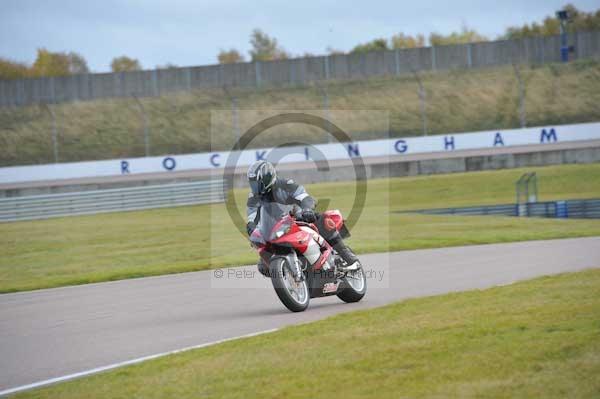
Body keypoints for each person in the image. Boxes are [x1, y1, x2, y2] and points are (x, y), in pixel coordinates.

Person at [245, 160, 359, 277]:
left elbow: (304, 197)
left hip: (299, 219)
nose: (254, 187)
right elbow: (252, 218)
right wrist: (252, 230)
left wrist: (307, 210)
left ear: (267, 179)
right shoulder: (254, 198)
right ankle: (292, 278)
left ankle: (347, 256)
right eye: (252, 183)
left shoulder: (285, 185)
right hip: (276, 230)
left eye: (257, 183)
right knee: (262, 266)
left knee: (324, 220)